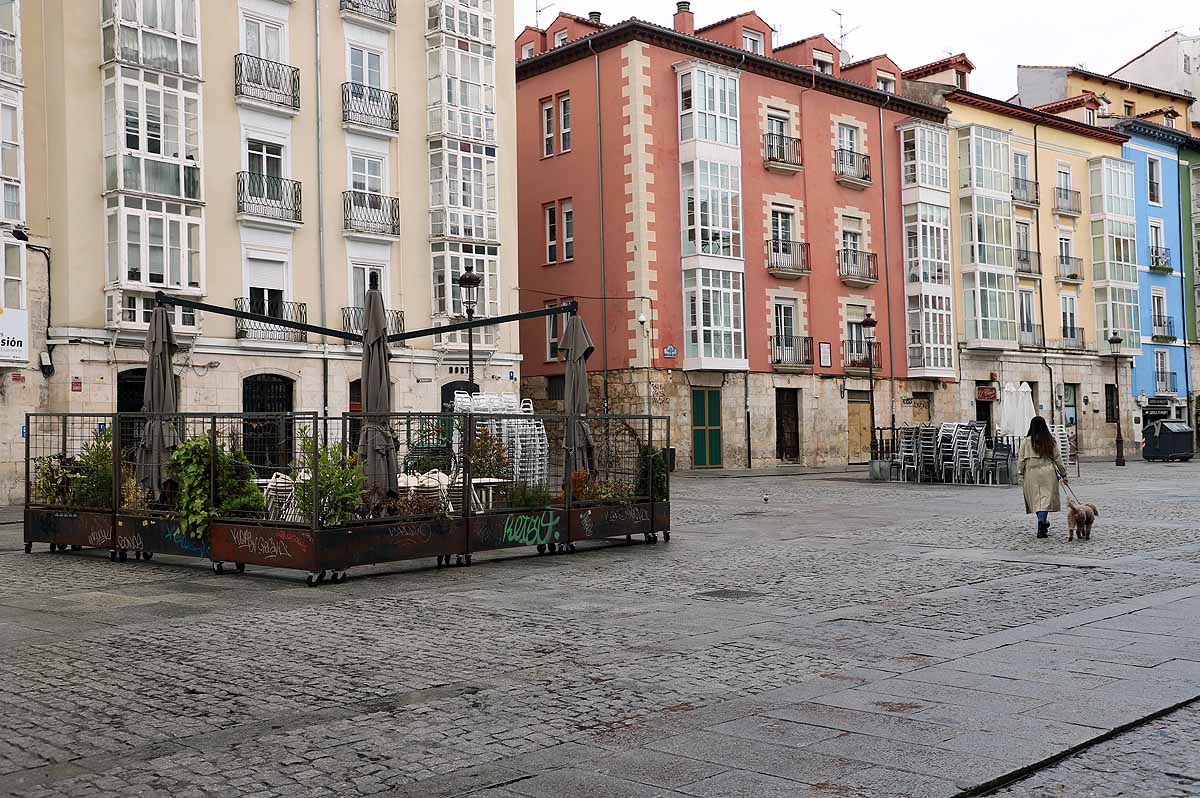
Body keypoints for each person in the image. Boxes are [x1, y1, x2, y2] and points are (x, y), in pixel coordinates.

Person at [1019, 416, 1068, 538]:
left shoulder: (1026, 441)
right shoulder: (1050, 441)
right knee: (1044, 500)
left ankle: (1042, 522)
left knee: (1036, 500)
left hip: (1031, 473)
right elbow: (1058, 459)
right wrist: (1064, 474)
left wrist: (1020, 473)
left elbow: (1021, 460)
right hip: (1048, 472)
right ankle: (1042, 522)